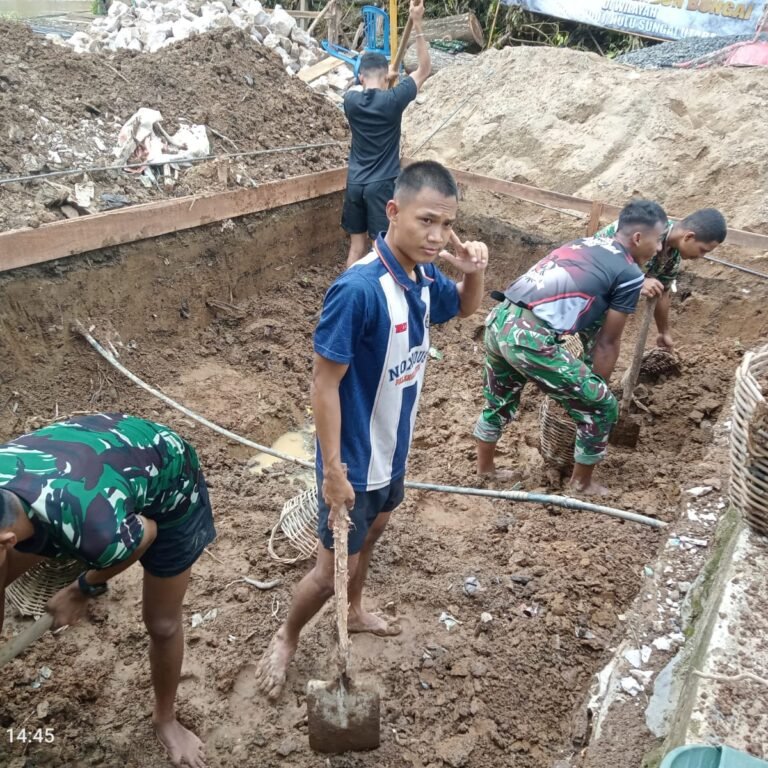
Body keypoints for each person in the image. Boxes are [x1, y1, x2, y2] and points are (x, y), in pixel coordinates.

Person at [255, 160, 488, 699]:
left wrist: (473, 269)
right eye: (426, 221)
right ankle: (287, 636)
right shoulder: (358, 290)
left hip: (393, 449)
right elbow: (323, 384)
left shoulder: (426, 276)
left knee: (372, 537)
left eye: (446, 226)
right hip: (353, 460)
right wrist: (333, 471)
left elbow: (467, 308)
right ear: (393, 212)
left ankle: (355, 608)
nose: (436, 236)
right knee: (327, 568)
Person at [0, 413, 214, 768]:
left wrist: (82, 588)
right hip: (90, 456)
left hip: (170, 479)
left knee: (162, 624)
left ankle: (165, 720)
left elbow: (145, 534)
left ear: (7, 541)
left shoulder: (96, 533)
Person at [474, 200, 669, 495]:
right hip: (530, 339)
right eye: (658, 241)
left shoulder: (585, 243)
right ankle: (581, 483)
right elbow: (607, 342)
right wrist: (594, 391)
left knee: (499, 401)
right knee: (603, 406)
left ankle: (485, 469)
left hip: (501, 318)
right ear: (638, 238)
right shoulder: (630, 275)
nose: (658, 250)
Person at [342, 0, 431, 268]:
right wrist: (417, 24)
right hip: (380, 186)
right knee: (380, 249)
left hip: (355, 184)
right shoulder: (394, 101)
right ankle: (378, 301)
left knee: (356, 248)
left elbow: (362, 88)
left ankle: (346, 296)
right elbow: (424, 70)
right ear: (386, 76)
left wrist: (382, 78)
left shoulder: (351, 101)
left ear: (360, 77)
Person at [596, 208, 727, 351]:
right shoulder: (646, 228)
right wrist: (639, 281)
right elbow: (598, 258)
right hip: (582, 295)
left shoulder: (673, 256)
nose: (701, 256)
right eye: (703, 250)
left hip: (606, 306)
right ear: (688, 237)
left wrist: (663, 331)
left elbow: (662, 292)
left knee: (600, 348)